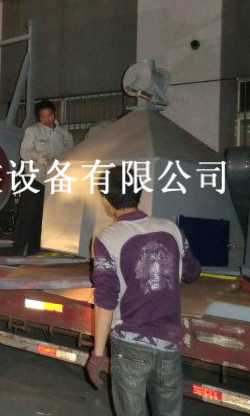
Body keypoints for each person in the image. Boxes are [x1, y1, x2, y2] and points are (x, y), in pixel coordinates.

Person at [85, 166, 201, 416]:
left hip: (130, 346)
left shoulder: (106, 238)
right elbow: (192, 271)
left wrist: (97, 353)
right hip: (169, 345)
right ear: (139, 192)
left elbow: (105, 299)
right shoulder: (172, 229)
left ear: (106, 200)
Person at [13, 100, 73, 255]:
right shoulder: (33, 131)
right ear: (39, 117)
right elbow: (24, 152)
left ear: (55, 114)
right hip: (35, 178)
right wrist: (38, 157)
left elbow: (71, 151)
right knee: (27, 216)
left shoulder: (64, 134)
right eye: (43, 117)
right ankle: (17, 253)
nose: (47, 119)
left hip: (53, 180)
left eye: (50, 115)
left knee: (43, 217)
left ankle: (34, 252)